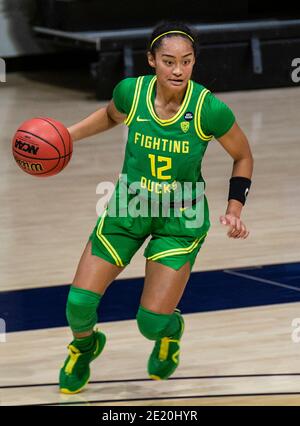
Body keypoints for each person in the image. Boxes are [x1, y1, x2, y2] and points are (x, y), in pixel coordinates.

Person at [59, 21, 254, 394]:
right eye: (168, 61)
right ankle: (84, 347)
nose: (178, 70)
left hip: (181, 217)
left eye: (186, 61)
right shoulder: (131, 93)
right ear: (151, 60)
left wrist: (235, 208)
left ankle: (170, 332)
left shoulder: (208, 109)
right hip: (129, 207)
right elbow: (111, 115)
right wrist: (67, 135)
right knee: (78, 304)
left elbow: (243, 156)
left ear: (195, 62)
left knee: (150, 322)